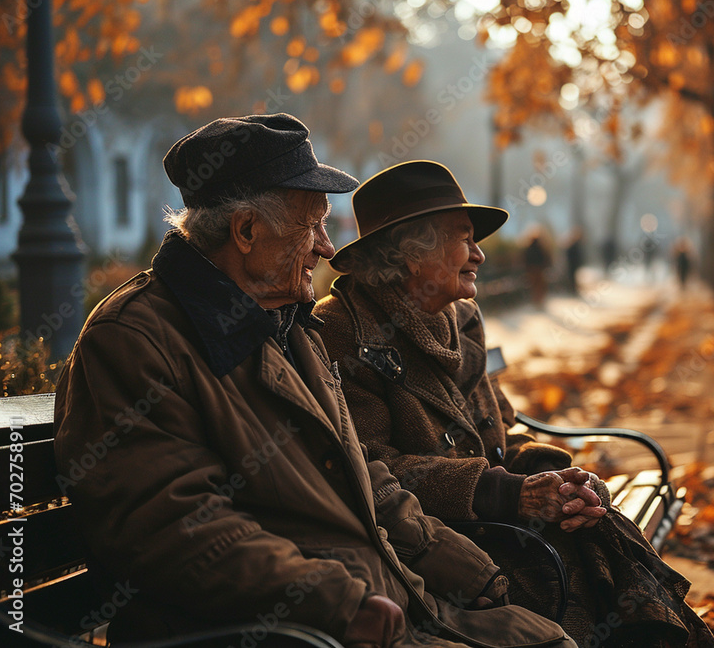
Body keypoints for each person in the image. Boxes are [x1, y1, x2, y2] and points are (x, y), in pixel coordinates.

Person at [53, 116, 575, 648]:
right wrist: (334, 602)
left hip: (388, 601)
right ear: (247, 231)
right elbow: (171, 527)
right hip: (286, 631)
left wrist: (446, 555)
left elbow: (360, 474)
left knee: (554, 635)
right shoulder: (133, 340)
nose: (327, 248)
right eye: (314, 225)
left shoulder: (286, 324)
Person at [314, 160, 714, 648]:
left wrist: (558, 478)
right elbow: (370, 468)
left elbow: (503, 435)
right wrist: (507, 493)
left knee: (596, 526)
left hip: (495, 518)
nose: (479, 255)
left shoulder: (460, 317)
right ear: (409, 253)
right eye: (464, 239)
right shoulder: (341, 329)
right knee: (588, 569)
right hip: (440, 545)